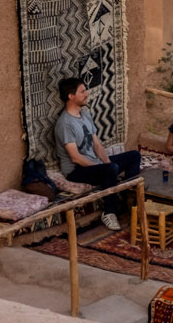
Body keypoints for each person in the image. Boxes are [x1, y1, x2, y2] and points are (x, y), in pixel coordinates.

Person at [54, 76, 141, 227]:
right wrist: (102, 167)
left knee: (134, 156)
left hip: (95, 164)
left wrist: (106, 163)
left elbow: (97, 145)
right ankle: (109, 212)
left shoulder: (85, 115)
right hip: (77, 170)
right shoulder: (64, 123)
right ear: (71, 96)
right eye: (82, 91)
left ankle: (131, 202)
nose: (86, 94)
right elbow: (75, 158)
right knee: (110, 169)